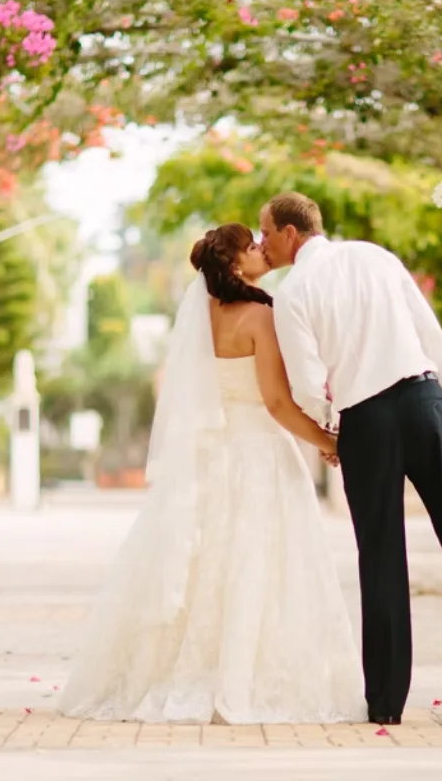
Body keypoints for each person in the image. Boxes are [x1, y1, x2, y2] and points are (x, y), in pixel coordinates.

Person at [57, 223, 364, 725]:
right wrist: (330, 442)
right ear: (236, 263)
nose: (263, 251)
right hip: (259, 452)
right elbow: (277, 402)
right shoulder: (261, 316)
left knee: (208, 567)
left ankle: (190, 673)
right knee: (257, 565)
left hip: (209, 456)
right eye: (253, 246)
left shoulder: (199, 317)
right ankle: (239, 682)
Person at [262, 192, 442, 727]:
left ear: (291, 233)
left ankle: (386, 700)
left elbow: (309, 384)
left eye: (266, 232)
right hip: (424, 398)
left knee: (381, 558)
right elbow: (430, 334)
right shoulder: (376, 257)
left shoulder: (293, 293)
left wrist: (334, 431)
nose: (262, 243)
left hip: (366, 418)